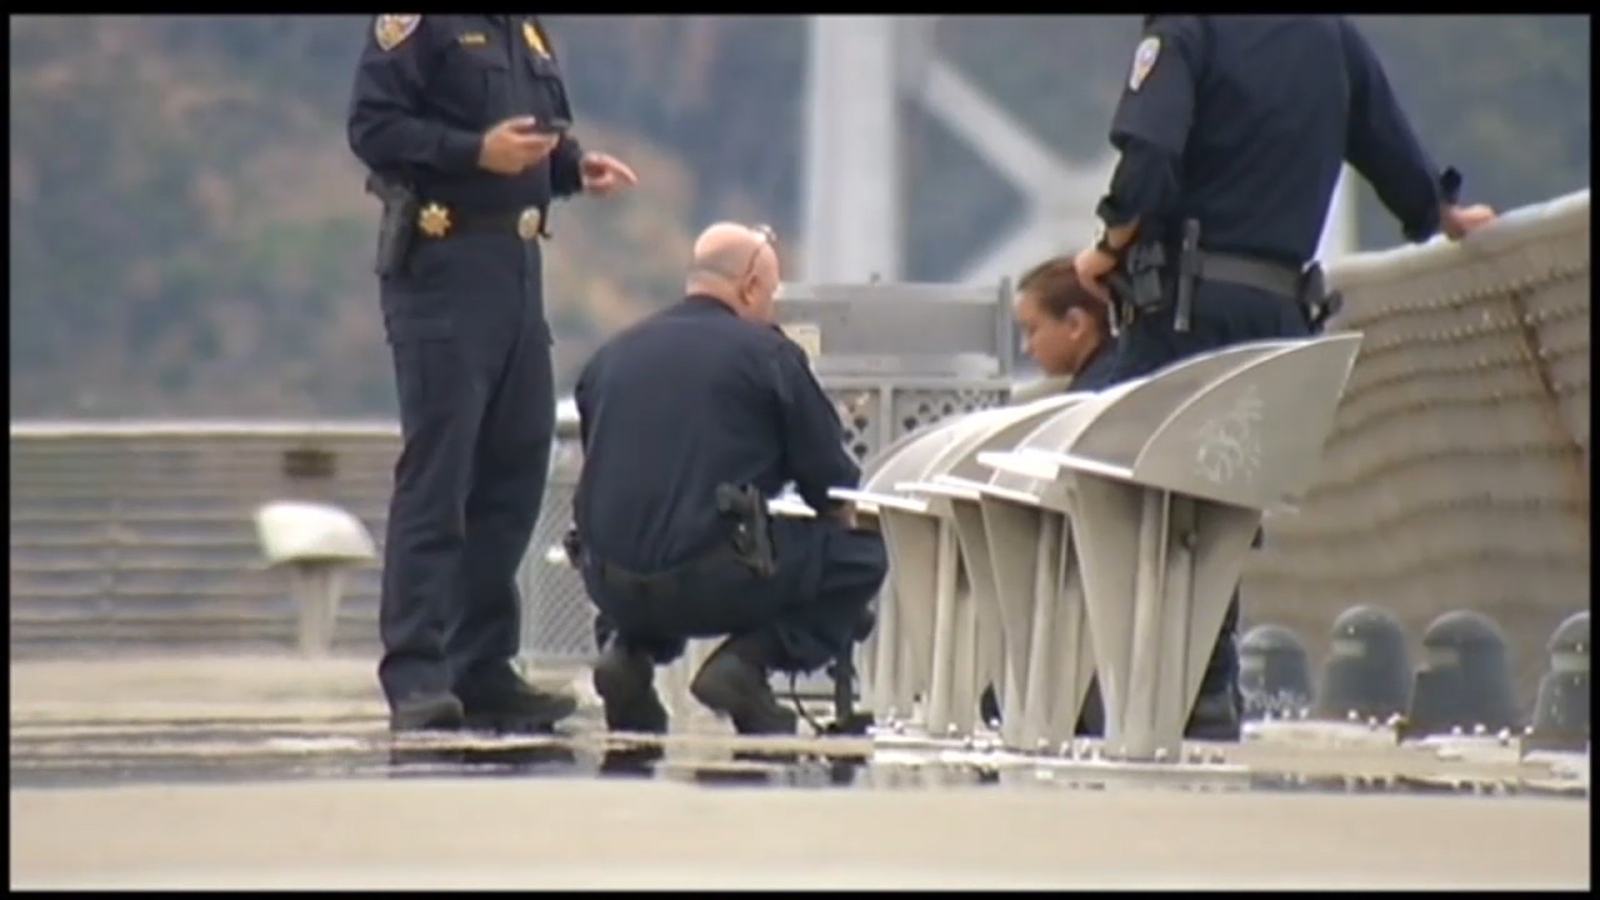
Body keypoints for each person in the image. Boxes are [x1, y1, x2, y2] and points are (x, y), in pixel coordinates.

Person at [1071, 14, 1498, 739]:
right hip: (1278, 316)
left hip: (1182, 310)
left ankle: (1132, 685)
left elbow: (1150, 156)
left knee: (1132, 493)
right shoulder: (1329, 35)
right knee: (1227, 495)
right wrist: (1441, 213)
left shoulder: (1188, 28)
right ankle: (1209, 684)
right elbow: (1387, 143)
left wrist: (1109, 245)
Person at [347, 15, 640, 733]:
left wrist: (571, 168)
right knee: (440, 475)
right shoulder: (421, 25)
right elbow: (374, 127)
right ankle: (417, 670)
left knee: (513, 473)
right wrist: (474, 152)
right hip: (442, 269)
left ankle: (480, 663)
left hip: (517, 273)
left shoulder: (524, 29)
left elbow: (535, 138)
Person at [570, 222, 888, 736]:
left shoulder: (610, 357)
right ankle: (745, 666)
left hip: (610, 580)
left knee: (658, 543)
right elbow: (830, 483)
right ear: (751, 287)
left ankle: (625, 653)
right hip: (718, 578)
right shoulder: (769, 356)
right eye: (773, 295)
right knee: (860, 556)